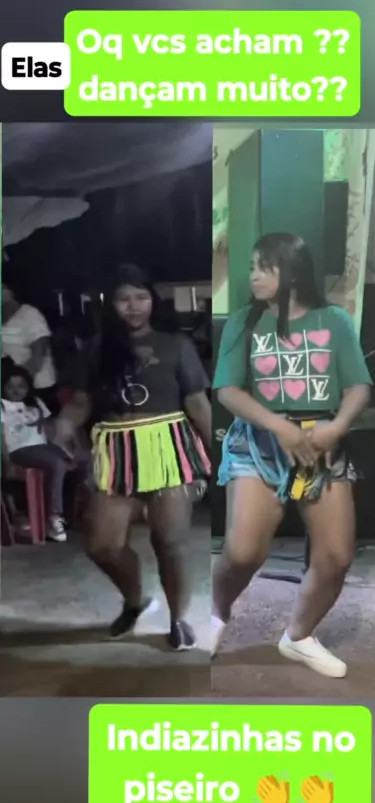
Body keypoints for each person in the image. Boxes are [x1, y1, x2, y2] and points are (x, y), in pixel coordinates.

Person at [212, 233, 372, 677]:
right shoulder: (243, 322)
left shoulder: (334, 320)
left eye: (265, 267)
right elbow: (227, 391)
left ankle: (298, 637)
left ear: (294, 272)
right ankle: (216, 614)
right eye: (252, 267)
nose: (254, 275)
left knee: (336, 557)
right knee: (242, 553)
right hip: (259, 444)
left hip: (322, 445)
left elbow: (358, 386)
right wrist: (279, 426)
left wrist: (337, 427)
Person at [55, 264, 211, 649]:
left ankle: (178, 619)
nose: (134, 306)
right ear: (110, 304)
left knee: (170, 542)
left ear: (152, 300)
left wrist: (219, 454)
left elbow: (197, 402)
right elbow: (81, 402)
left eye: (141, 297)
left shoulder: (176, 345)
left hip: (167, 447)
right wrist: (65, 422)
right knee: (102, 545)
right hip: (115, 451)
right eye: (123, 299)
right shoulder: (95, 349)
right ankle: (136, 600)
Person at [1, 364, 70, 541]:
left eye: (21, 385)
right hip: (20, 450)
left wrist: (63, 446)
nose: (16, 390)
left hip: (43, 447)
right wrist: (6, 460)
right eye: (10, 385)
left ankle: (67, 513)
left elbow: (49, 428)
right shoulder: (2, 405)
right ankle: (54, 516)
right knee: (56, 463)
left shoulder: (36, 402)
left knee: (74, 461)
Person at [1, 281, 58, 411]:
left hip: (36, 388)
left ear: (11, 292)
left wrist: (21, 385)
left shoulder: (29, 314)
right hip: (11, 390)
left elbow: (39, 353)